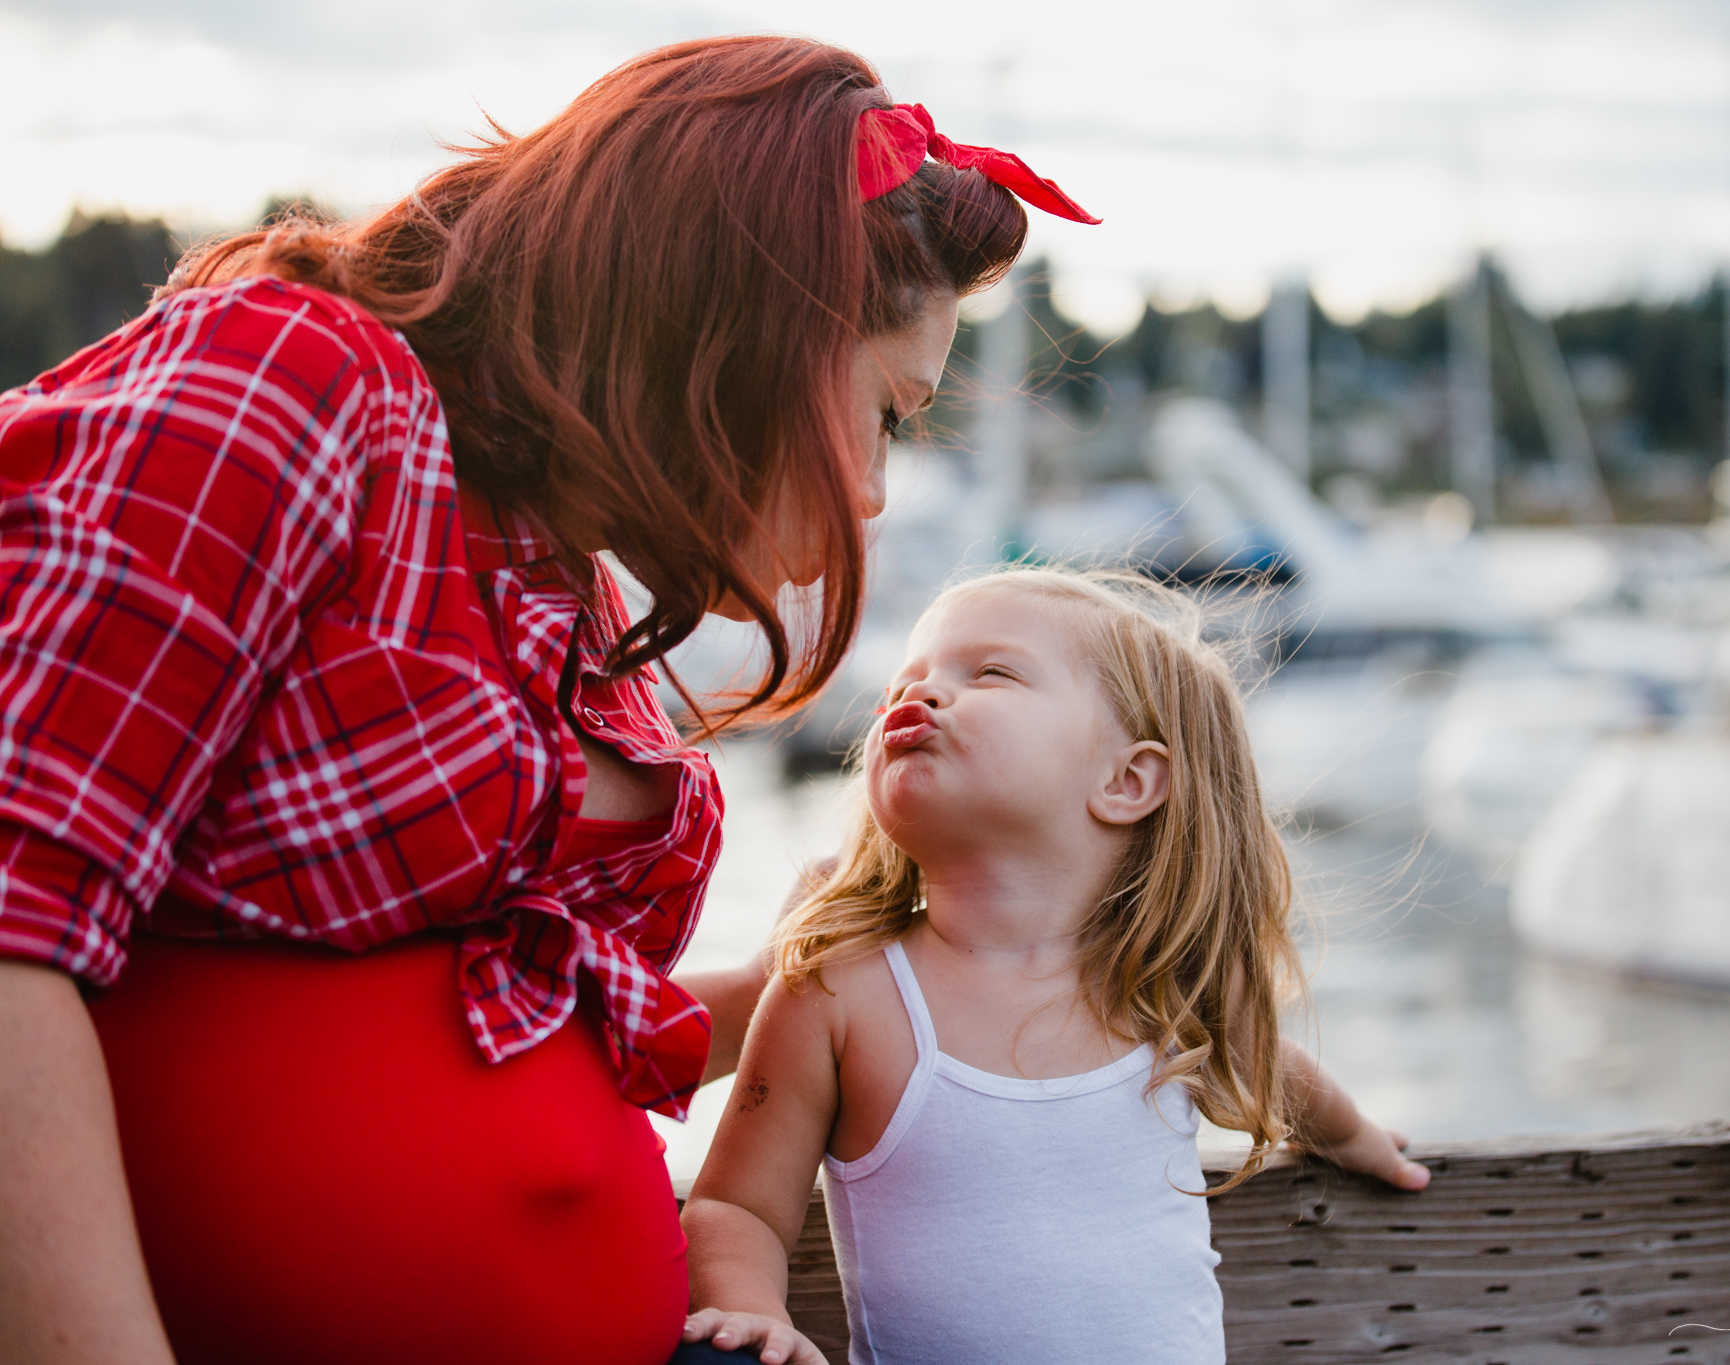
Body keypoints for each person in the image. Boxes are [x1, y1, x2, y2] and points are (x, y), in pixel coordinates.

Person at [0, 34, 1101, 1365]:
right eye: (887, 413)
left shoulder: (549, 574)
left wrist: (801, 980)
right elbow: (17, 920)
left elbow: (498, 1027)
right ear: (745, 325)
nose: (874, 489)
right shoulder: (293, 379)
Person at [679, 567, 1433, 1365]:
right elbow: (737, 1204)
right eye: (906, 681)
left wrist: (1355, 1138)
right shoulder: (839, 994)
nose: (917, 693)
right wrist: (750, 1310)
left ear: (1127, 780)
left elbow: (1277, 1068)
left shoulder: (1160, 986)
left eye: (991, 672)